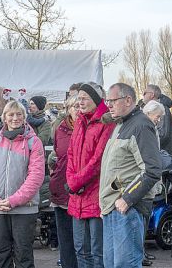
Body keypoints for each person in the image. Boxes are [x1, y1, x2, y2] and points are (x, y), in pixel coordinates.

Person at [99, 82, 161, 268]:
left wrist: (127, 199)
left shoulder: (141, 126)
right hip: (112, 207)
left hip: (128, 209)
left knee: (125, 264)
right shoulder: (121, 124)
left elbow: (152, 170)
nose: (109, 105)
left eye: (113, 101)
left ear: (128, 100)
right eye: (107, 101)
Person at [0, 100, 45, 268]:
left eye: (19, 114)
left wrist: (14, 200)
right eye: (11, 114)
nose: (15, 118)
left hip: (24, 208)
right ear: (4, 118)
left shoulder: (33, 142)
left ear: (24, 117)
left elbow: (36, 176)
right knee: (0, 255)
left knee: (23, 255)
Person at [66, 83, 114, 268]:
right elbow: (71, 153)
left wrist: (75, 182)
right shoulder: (80, 121)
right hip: (77, 194)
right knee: (80, 249)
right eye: (79, 98)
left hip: (95, 194)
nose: (80, 102)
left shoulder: (105, 122)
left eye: (84, 98)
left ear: (95, 99)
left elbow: (98, 160)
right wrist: (71, 180)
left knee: (97, 251)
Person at [50, 95, 79, 268]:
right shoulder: (60, 128)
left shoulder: (91, 127)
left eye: (79, 105)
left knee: (82, 241)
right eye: (72, 106)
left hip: (80, 190)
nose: (76, 109)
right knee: (66, 240)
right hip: (60, 188)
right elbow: (56, 152)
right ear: (67, 109)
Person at [142, 85, 172, 154]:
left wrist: (144, 139)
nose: (143, 95)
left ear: (152, 94)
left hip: (160, 155)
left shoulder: (161, 109)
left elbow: (163, 135)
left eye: (144, 93)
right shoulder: (148, 108)